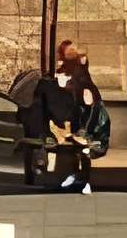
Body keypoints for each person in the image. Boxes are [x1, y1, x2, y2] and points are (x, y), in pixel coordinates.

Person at [38, 61, 91, 193]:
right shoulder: (51, 91)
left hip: (70, 128)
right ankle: (54, 176)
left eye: (68, 77)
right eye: (63, 76)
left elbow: (79, 112)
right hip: (54, 128)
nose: (66, 79)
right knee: (56, 148)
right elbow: (46, 113)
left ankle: (80, 177)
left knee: (83, 148)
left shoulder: (72, 93)